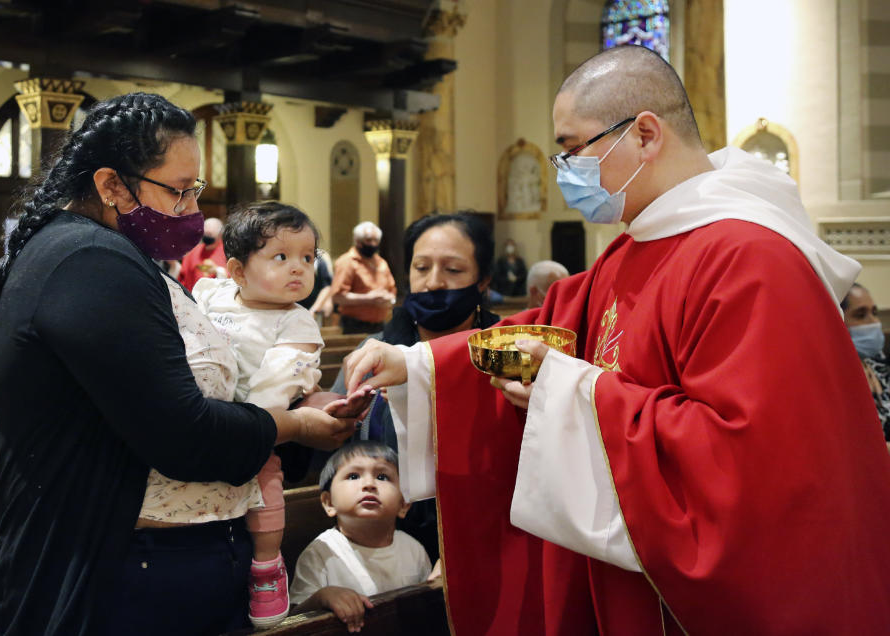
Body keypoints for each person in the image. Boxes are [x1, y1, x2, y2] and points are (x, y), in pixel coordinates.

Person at [343, 46, 890, 635]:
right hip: (629, 576)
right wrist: (415, 363)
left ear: (646, 134)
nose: (564, 172)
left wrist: (568, 389)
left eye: (574, 148)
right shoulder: (641, 243)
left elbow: (750, 461)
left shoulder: (750, 257)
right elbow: (549, 323)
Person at [0, 93, 355, 636]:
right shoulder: (90, 261)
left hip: (154, 560)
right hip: (122, 573)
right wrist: (294, 425)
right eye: (178, 191)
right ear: (110, 186)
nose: (191, 211)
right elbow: (182, 432)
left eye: (194, 191)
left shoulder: (99, 253)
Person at [329, 211, 499, 566]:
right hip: (385, 545)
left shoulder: (504, 353)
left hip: (489, 536)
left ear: (483, 279)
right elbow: (334, 456)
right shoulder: (371, 353)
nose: (433, 282)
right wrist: (337, 421)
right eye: (421, 268)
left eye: (453, 270)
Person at [190, 201, 328, 629]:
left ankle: (267, 566)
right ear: (237, 271)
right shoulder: (213, 294)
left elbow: (279, 381)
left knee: (266, 484)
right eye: (281, 257)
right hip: (201, 413)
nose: (298, 269)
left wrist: (252, 425)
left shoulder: (297, 323)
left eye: (308, 258)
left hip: (255, 424)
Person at [289, 441, 431, 633]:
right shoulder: (322, 552)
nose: (369, 484)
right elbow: (295, 620)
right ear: (328, 502)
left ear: (404, 505)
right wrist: (323, 597)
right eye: (353, 476)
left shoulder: (414, 549)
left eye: (382, 476)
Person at [842, 282, 890, 443]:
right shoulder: (835, 383)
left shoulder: (879, 365)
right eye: (861, 315)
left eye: (874, 312)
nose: (874, 322)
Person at [330, 221, 396, 334]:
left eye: (376, 241)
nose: (373, 244)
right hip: (355, 326)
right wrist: (368, 298)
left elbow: (392, 290)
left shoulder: (381, 263)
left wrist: (389, 299)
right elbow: (337, 297)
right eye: (369, 240)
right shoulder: (347, 262)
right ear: (357, 241)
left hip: (380, 325)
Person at [178, 216, 227, 290]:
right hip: (193, 297)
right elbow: (183, 277)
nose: (207, 237)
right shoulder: (193, 251)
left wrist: (217, 271)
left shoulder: (227, 252)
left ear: (220, 235)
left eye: (210, 235)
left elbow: (232, 278)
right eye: (205, 234)